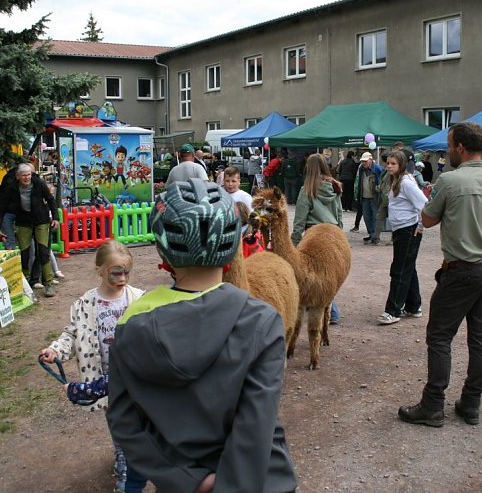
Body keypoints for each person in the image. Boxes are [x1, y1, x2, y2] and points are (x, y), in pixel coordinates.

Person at [107, 179, 297, 493]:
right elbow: (257, 421)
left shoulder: (130, 324)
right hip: (259, 481)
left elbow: (124, 421)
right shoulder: (261, 322)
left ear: (163, 251)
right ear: (233, 248)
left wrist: (188, 480)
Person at [398, 122, 482, 427]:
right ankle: (471, 403)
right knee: (481, 337)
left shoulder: (449, 181)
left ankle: (433, 405)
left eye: (449, 145)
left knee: (440, 336)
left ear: (460, 147)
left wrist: (431, 197)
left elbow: (427, 219)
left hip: (461, 269)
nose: (447, 151)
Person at [39, 240, 147, 493]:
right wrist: (56, 350)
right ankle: (124, 459)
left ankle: (138, 459)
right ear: (100, 269)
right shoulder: (86, 303)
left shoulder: (138, 298)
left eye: (126, 272)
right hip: (103, 377)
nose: (122, 278)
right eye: (115, 273)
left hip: (134, 376)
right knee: (117, 420)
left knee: (138, 419)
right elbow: (72, 334)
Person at [292, 154, 345, 325]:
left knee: (312, 274)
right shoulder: (335, 187)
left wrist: (294, 243)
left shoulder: (307, 190)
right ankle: (330, 311)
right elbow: (339, 215)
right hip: (333, 235)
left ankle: (328, 311)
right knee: (330, 275)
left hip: (314, 235)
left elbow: (299, 221)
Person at [377, 150, 428, 325]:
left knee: (399, 270)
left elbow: (423, 203)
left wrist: (420, 226)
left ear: (401, 165)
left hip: (408, 230)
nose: (389, 166)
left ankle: (393, 310)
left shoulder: (406, 182)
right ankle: (414, 306)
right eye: (388, 163)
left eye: (393, 164)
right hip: (401, 229)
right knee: (408, 267)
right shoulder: (396, 180)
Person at [0, 163, 59, 297]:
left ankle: (49, 283)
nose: (27, 178)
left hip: (41, 220)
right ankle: (24, 285)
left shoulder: (39, 183)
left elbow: (50, 199)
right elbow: (2, 207)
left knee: (43, 251)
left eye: (29, 175)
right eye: (24, 175)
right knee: (25, 253)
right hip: (23, 221)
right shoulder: (12, 187)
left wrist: (55, 218)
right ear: (18, 176)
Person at [353, 152, 384, 241]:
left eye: (365, 161)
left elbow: (383, 181)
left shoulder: (378, 169)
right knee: (367, 217)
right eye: (362, 161)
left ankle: (375, 236)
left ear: (371, 160)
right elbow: (359, 182)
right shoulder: (361, 169)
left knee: (375, 217)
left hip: (375, 197)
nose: (363, 163)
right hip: (364, 197)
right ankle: (371, 234)